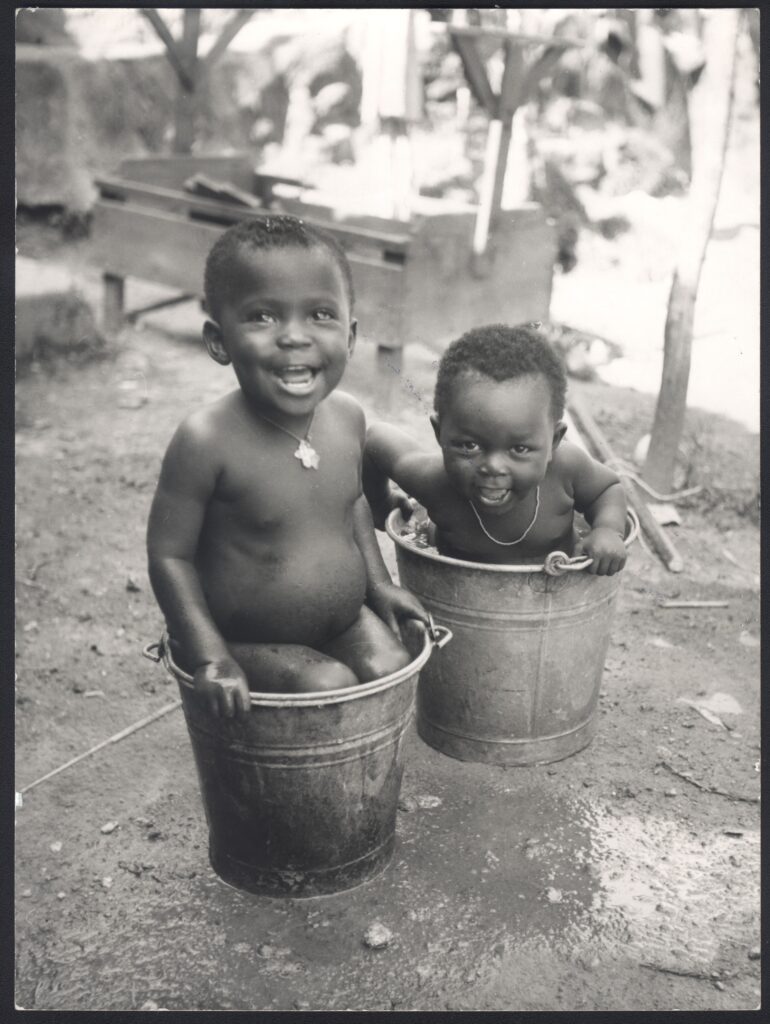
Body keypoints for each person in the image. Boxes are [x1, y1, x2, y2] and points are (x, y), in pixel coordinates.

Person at [147, 215, 427, 719]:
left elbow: (353, 506)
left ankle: (361, 795)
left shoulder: (347, 419)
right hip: (245, 640)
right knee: (328, 683)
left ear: (352, 335)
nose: (294, 337)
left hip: (343, 621)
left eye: (321, 315)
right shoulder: (206, 440)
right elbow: (170, 557)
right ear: (219, 341)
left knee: (390, 667)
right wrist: (212, 657)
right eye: (262, 317)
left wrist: (379, 586)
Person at [364, 323, 628, 572]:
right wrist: (380, 503)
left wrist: (607, 529)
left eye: (520, 449)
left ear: (554, 442)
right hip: (456, 592)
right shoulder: (434, 482)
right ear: (439, 432)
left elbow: (607, 489)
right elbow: (375, 439)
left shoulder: (566, 468)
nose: (493, 466)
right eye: (469, 445)